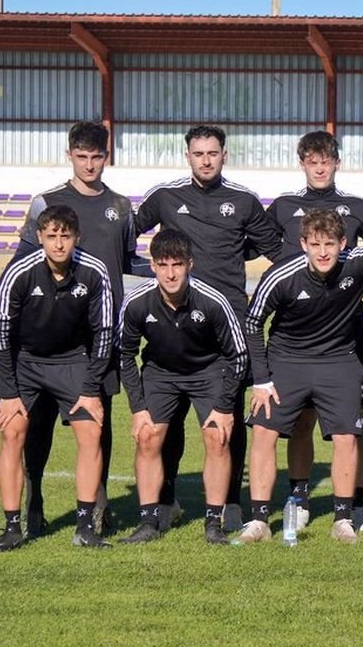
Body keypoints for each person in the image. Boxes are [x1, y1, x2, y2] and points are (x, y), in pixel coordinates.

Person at [134, 125, 283, 533]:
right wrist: (143, 274)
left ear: (224, 156)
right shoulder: (165, 197)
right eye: (198, 153)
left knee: (226, 420)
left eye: (212, 153)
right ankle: (166, 501)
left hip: (226, 328)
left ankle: (231, 502)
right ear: (187, 156)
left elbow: (279, 251)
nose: (205, 159)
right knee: (170, 420)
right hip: (173, 325)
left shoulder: (243, 201)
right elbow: (123, 237)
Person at [235, 210, 363, 545]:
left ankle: (343, 520)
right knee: (264, 432)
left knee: (346, 437)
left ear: (343, 243)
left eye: (330, 244)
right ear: (303, 244)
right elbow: (253, 323)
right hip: (286, 361)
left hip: (338, 361)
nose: (323, 252)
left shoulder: (357, 263)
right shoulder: (281, 275)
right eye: (315, 244)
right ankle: (259, 521)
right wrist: (262, 380)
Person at [15, 121, 146, 538]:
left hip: (99, 334)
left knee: (97, 423)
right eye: (82, 156)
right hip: (49, 334)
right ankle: (33, 495)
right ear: (70, 154)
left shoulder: (122, 207)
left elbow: (129, 262)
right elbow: (21, 264)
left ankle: (98, 505)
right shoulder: (46, 203)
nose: (89, 164)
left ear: (107, 157)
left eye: (97, 156)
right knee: (39, 424)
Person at [265, 131, 363, 533]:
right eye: (311, 161)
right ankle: (299, 495)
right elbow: (257, 245)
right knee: (300, 420)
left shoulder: (355, 207)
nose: (319, 167)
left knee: (354, 423)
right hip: (296, 336)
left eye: (326, 160)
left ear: (337, 162)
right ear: (302, 163)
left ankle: (355, 502)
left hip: (346, 333)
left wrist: (358, 282)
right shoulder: (284, 207)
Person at [0, 205, 113, 551]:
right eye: (52, 236)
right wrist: (10, 392)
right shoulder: (19, 273)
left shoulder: (94, 271)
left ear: (77, 238)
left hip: (72, 360)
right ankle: (13, 527)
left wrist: (90, 391)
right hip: (23, 361)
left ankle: (85, 527)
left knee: (91, 431)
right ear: (40, 237)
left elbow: (104, 333)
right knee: (12, 431)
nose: (59, 244)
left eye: (66, 236)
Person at [116, 229, 248, 545]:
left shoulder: (213, 301)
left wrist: (225, 406)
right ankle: (149, 521)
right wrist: (138, 408)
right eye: (163, 265)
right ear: (153, 266)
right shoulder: (137, 302)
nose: (171, 273)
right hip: (161, 373)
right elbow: (123, 354)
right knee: (147, 437)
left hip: (208, 371)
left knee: (217, 437)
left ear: (190, 264)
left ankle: (214, 523)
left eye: (177, 264)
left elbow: (238, 355)